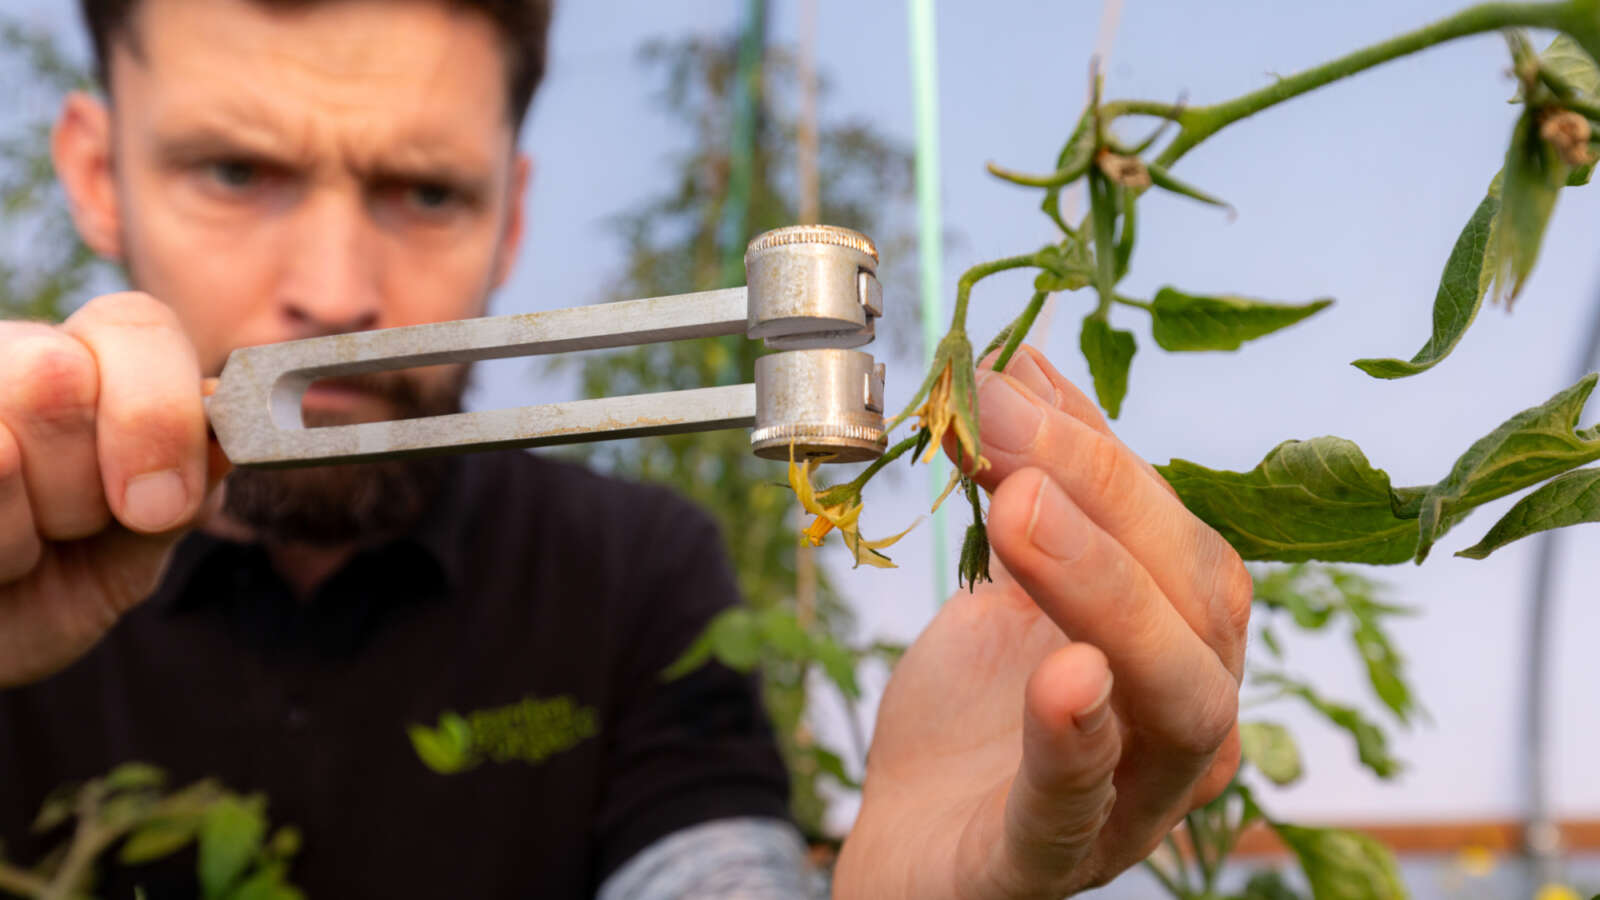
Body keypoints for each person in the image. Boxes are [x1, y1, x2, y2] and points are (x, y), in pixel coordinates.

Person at [0, 0, 1251, 897]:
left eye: (424, 191)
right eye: (234, 170)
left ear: (514, 209)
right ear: (98, 174)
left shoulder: (634, 572)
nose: (334, 291)